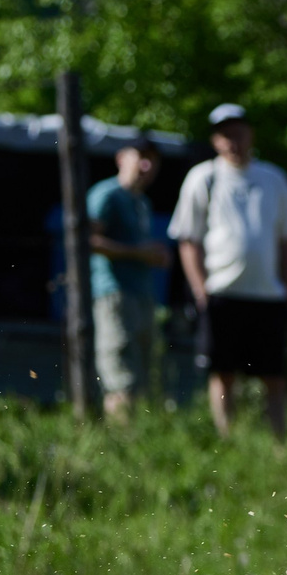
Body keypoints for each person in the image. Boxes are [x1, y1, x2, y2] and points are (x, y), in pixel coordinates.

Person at [170, 102, 287, 442]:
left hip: (267, 294)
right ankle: (227, 441)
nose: (233, 141)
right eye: (225, 134)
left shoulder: (274, 178)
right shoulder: (204, 178)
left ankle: (280, 444)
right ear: (215, 140)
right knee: (223, 372)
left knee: (274, 375)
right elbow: (188, 239)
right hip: (221, 293)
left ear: (250, 135)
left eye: (238, 133)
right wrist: (200, 289)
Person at [87, 136, 169, 420]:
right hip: (114, 295)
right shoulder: (106, 195)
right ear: (122, 158)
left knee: (143, 378)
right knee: (120, 377)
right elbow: (88, 240)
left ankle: (136, 448)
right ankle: (118, 451)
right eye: (140, 156)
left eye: (153, 160)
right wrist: (138, 253)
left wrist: (154, 255)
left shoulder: (142, 202)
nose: (146, 165)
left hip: (142, 295)